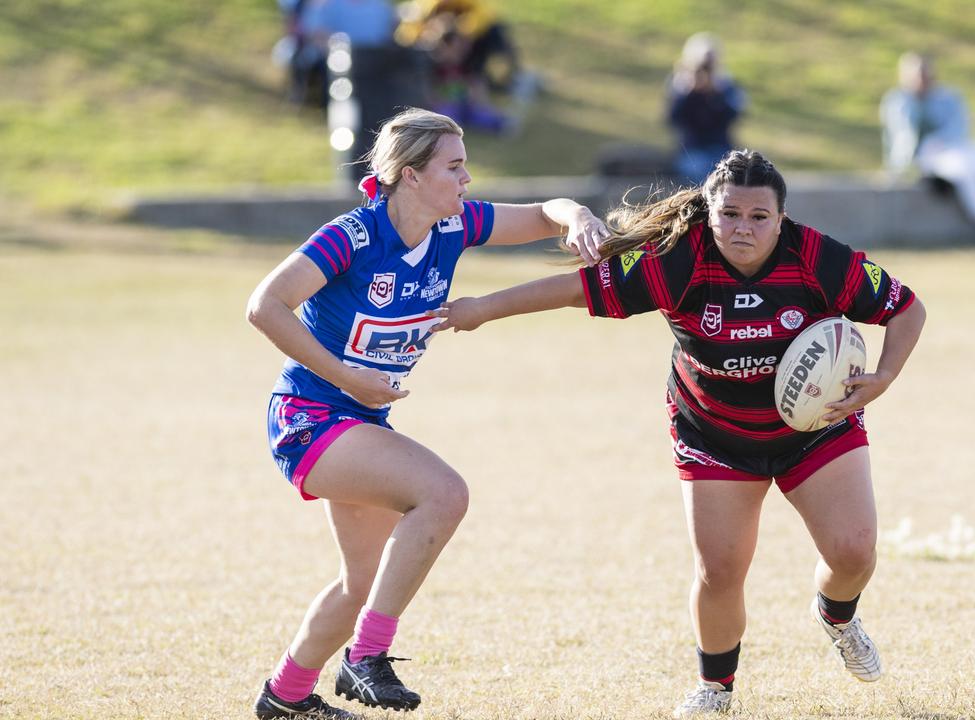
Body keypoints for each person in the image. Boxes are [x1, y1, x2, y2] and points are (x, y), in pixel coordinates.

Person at [429, 150, 927, 717]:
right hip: (714, 432)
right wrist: (478, 308)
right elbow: (574, 289)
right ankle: (715, 690)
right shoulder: (675, 260)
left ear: (781, 219)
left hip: (816, 428)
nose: (742, 228)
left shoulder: (817, 258)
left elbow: (907, 308)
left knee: (854, 551)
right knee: (719, 571)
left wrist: (883, 377)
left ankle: (837, 615)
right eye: (729, 214)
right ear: (708, 213)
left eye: (759, 217)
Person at [245, 107, 608, 719]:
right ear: (410, 176)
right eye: (454, 166)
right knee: (443, 494)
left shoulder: (453, 226)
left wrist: (576, 214)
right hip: (309, 416)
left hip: (360, 424)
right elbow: (265, 305)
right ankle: (367, 658)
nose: (467, 180)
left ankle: (285, 698)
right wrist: (346, 376)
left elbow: (545, 214)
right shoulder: (352, 236)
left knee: (360, 585)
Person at [880, 52, 975, 240]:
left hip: (955, 145)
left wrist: (943, 140)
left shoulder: (948, 97)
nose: (923, 79)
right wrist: (901, 168)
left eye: (926, 73)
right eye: (918, 74)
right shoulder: (899, 101)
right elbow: (903, 138)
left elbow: (959, 127)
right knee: (965, 168)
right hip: (924, 156)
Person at [667, 33, 747, 183]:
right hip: (691, 149)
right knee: (696, 171)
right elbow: (673, 118)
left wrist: (716, 94)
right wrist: (688, 92)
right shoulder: (680, 85)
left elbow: (734, 115)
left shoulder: (725, 85)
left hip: (721, 147)